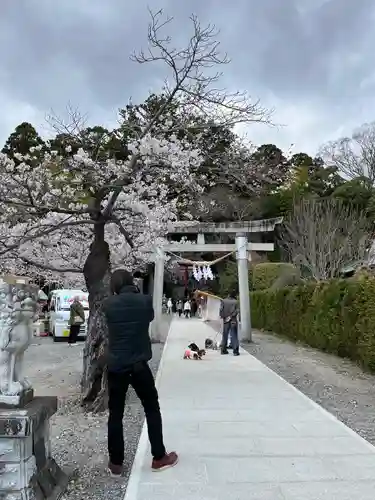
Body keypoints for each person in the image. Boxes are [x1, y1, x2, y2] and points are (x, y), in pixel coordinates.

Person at [103, 269, 178, 477]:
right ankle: (159, 456)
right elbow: (150, 316)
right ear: (131, 282)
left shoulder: (108, 304)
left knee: (115, 413)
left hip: (117, 365)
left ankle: (116, 463)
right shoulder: (144, 301)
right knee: (151, 408)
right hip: (138, 363)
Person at [219, 291, 240, 356]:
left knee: (225, 335)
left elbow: (221, 310)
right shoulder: (236, 302)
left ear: (228, 295)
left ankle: (223, 350)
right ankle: (235, 351)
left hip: (225, 320)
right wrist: (231, 316)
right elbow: (237, 311)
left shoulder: (223, 301)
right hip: (233, 320)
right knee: (234, 335)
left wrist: (223, 317)